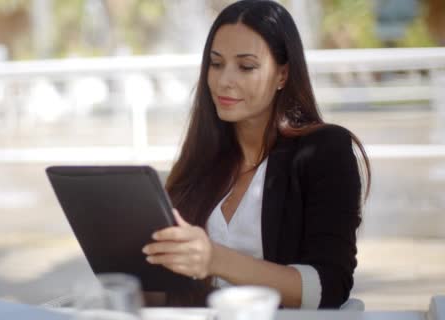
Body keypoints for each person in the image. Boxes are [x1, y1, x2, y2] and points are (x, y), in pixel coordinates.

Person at [141, 0, 371, 309]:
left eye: (246, 66)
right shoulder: (200, 160)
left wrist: (213, 259)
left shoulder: (324, 150)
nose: (224, 80)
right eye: (216, 63)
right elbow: (165, 292)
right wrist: (135, 272)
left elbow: (329, 288)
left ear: (283, 74)